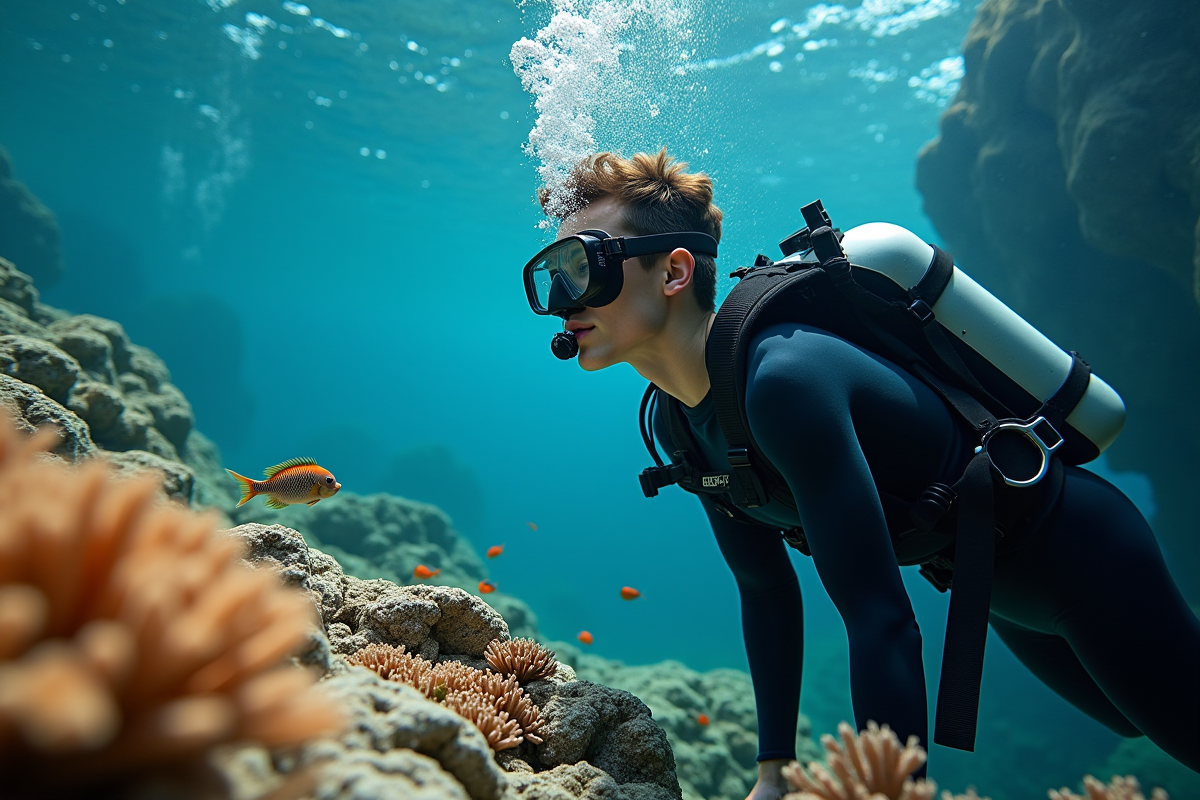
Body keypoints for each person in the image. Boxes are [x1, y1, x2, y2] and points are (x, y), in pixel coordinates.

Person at [520, 149, 1200, 799]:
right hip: (989, 584)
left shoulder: (782, 382)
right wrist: (773, 773)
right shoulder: (677, 424)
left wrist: (886, 793)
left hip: (1079, 553)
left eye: (584, 267)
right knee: (1132, 720)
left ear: (673, 272)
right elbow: (765, 589)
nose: (562, 300)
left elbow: (881, 618)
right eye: (553, 274)